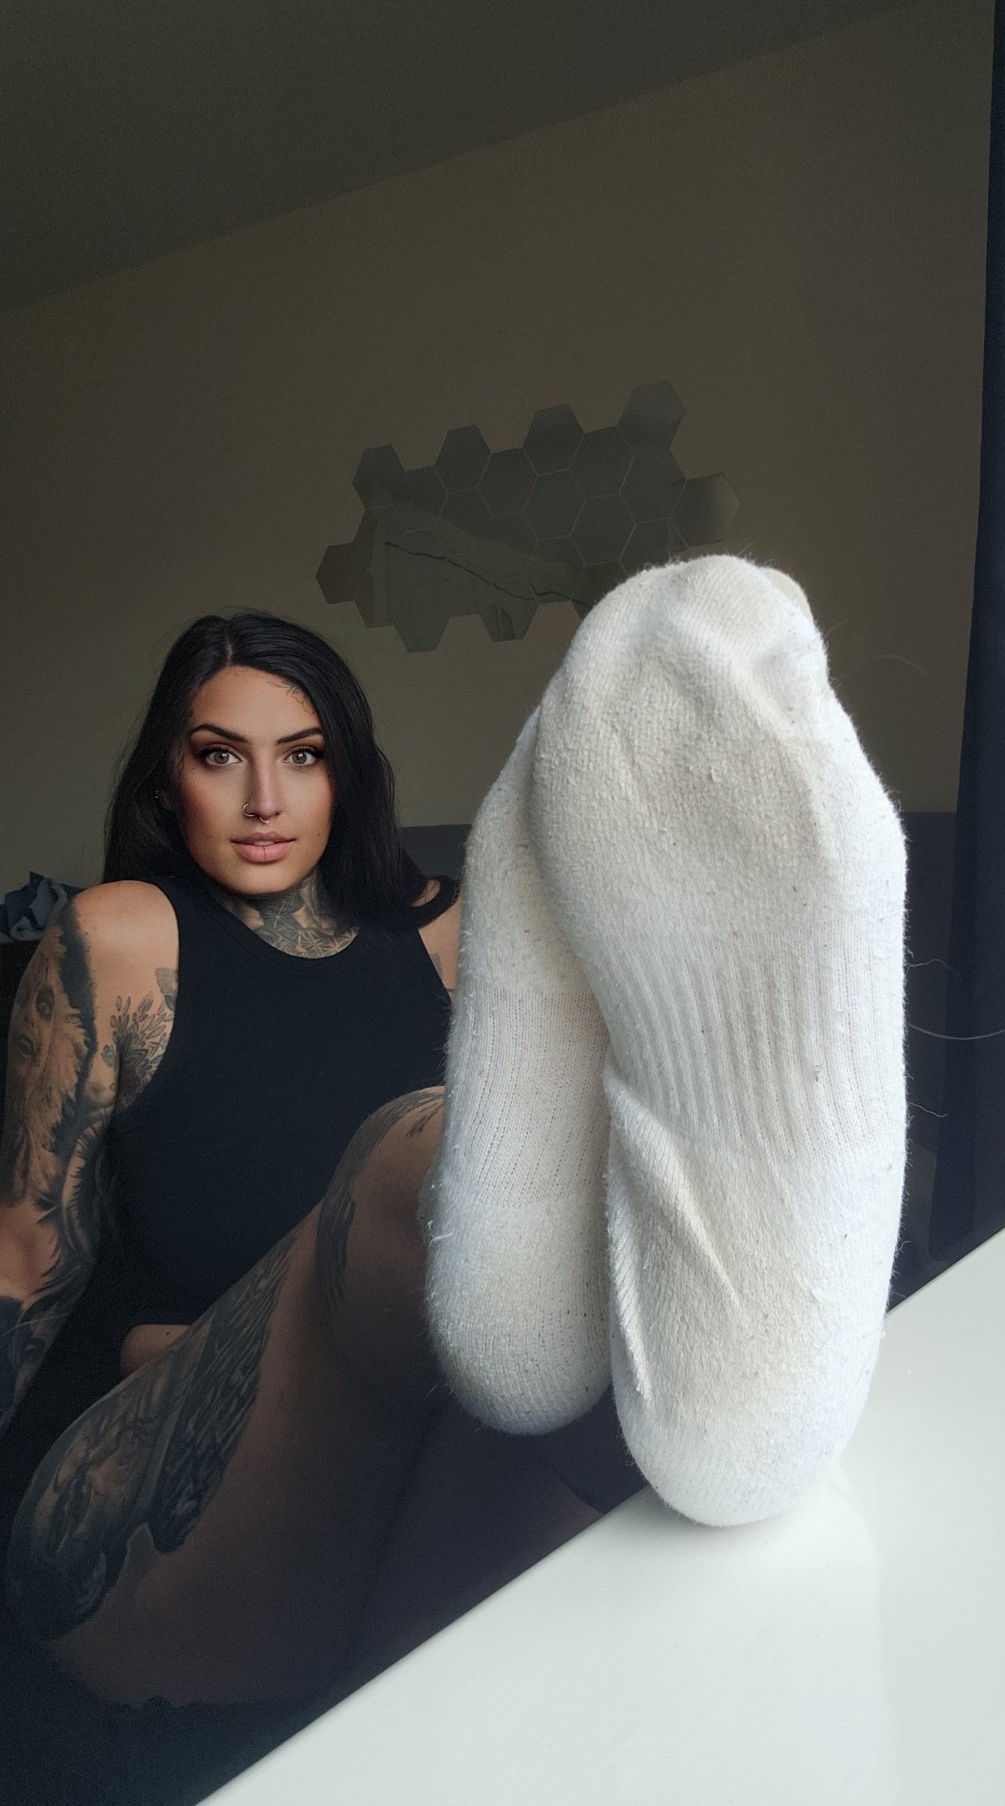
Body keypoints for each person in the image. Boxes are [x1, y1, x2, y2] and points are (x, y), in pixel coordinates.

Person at [0, 557, 907, 1716]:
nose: (264, 798)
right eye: (220, 756)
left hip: (420, 1476)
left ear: (346, 772)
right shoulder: (123, 940)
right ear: (167, 779)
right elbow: (25, 1261)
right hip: (145, 1516)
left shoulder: (447, 933)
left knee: (539, 1347)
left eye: (302, 756)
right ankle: (738, 1399)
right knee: (420, 1158)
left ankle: (722, 1398)